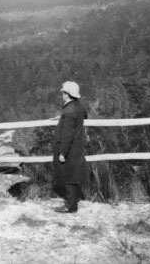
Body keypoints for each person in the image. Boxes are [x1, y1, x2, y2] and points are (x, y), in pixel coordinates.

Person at [52, 80, 88, 213]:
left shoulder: (69, 111)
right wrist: (62, 118)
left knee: (68, 176)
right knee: (74, 174)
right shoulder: (78, 106)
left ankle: (70, 206)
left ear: (66, 94)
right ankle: (73, 203)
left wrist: (62, 153)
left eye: (63, 92)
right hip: (78, 146)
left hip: (69, 148)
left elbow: (67, 134)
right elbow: (83, 116)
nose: (62, 95)